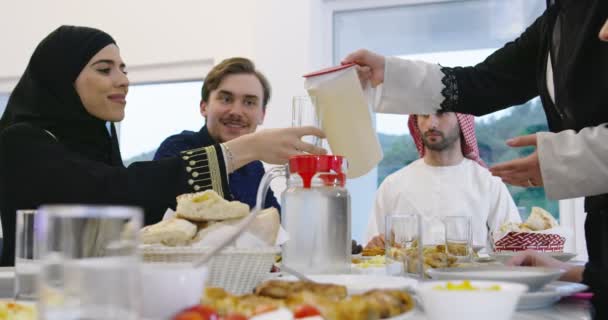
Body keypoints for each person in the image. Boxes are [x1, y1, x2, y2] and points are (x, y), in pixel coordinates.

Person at [343, 2, 608, 314]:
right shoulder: (558, 18)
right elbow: (486, 81)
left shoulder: (485, 182)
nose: (432, 123)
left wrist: (569, 158)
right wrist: (389, 73)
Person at [0, 25, 325, 266]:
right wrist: (246, 148)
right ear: (61, 77)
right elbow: (114, 192)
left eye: (123, 69)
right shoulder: (22, 141)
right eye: (104, 69)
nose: (123, 79)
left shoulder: (99, 146)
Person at [366, 112, 520, 249]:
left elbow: (513, 250)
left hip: (473, 281)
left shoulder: (489, 184)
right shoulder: (392, 185)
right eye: (424, 114)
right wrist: (375, 246)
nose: (431, 124)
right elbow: (373, 252)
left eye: (441, 113)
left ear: (462, 118)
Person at [154, 57, 279, 210]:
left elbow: (276, 221)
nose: (236, 112)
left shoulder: (254, 166)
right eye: (226, 99)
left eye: (249, 102)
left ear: (262, 115)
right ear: (204, 106)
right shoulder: (176, 149)